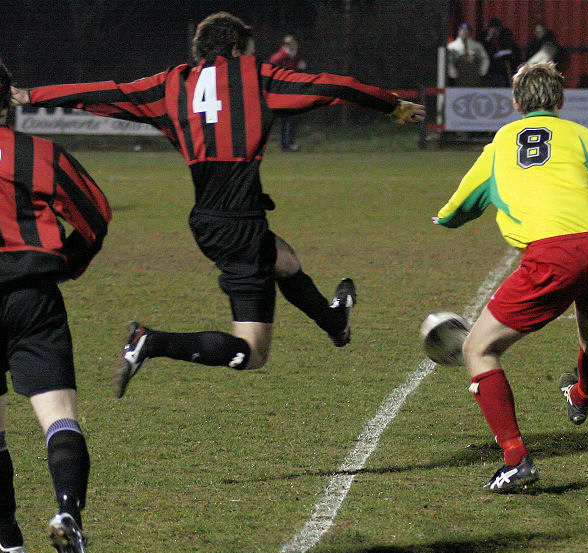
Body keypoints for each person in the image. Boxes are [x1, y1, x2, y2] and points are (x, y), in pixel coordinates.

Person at [12, 12, 424, 399]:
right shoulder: (257, 77)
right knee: (251, 353)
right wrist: (392, 104)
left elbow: (104, 92)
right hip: (237, 226)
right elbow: (335, 86)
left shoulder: (173, 83)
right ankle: (151, 341)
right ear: (238, 49)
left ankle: (334, 322)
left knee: (284, 260)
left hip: (211, 220)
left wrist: (30, 94)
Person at [432, 61, 588, 493]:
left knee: (478, 348)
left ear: (516, 102)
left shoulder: (501, 141)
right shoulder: (580, 135)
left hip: (552, 256)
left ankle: (516, 459)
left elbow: (465, 203)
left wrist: (445, 217)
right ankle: (582, 396)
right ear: (560, 101)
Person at [0, 60, 111, 553]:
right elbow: (95, 212)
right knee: (60, 417)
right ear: (7, 103)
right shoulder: (38, 153)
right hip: (32, 295)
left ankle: (7, 538)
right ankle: (68, 516)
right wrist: (68, 262)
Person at [270, 34, 307, 151]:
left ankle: (289, 143)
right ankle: (286, 144)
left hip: (294, 91)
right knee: (286, 119)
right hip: (283, 93)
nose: (293, 46)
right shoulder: (278, 58)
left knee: (293, 118)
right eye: (290, 44)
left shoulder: (296, 56)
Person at [479, 18, 521, 87]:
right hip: (488, 66)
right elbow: (482, 50)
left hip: (502, 66)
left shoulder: (505, 36)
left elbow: (511, 50)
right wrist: (488, 38)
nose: (495, 31)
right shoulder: (483, 37)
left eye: (496, 29)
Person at [446, 23, 490, 88]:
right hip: (459, 77)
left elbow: (484, 58)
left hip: (474, 76)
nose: (465, 32)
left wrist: (482, 71)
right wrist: (452, 72)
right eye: (462, 30)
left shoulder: (477, 46)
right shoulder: (452, 46)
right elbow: (449, 61)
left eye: (467, 30)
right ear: (458, 32)